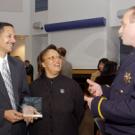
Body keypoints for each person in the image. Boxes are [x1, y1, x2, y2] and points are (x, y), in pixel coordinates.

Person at [84, 6, 135, 135]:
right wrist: (103, 90)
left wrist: (98, 105)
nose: (120, 30)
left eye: (123, 25)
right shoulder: (130, 58)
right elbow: (125, 92)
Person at [29, 44, 84, 135]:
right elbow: (31, 116)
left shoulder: (72, 85)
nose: (57, 60)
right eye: (52, 58)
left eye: (59, 57)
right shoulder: (34, 87)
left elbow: (79, 113)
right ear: (43, 64)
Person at [0, 22, 30, 135]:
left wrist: (28, 108)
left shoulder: (18, 64)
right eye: (9, 36)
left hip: (19, 129)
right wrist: (3, 114)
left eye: (14, 37)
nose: (13, 40)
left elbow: (25, 93)